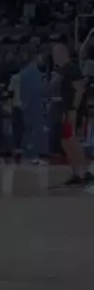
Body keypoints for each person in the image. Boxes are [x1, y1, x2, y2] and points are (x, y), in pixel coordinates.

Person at [52, 43, 92, 186]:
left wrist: (74, 109)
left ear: (63, 53)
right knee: (66, 142)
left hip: (72, 110)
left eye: (55, 53)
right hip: (65, 110)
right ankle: (77, 173)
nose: (53, 56)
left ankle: (84, 173)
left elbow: (80, 89)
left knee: (71, 140)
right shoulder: (61, 71)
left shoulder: (72, 68)